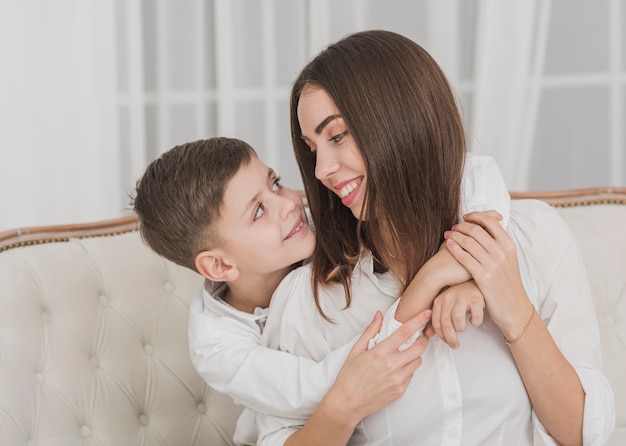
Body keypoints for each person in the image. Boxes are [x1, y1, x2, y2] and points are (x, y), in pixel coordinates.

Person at [255, 30, 615, 445]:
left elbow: (581, 435)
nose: (320, 171)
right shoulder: (313, 299)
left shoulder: (534, 237)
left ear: (402, 121)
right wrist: (345, 403)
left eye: (336, 136)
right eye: (312, 147)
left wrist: (512, 303)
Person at [131, 137, 509, 445]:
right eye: (259, 210)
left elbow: (472, 170)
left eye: (275, 183)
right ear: (220, 266)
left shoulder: (313, 229)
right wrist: (432, 279)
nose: (290, 203)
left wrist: (473, 266)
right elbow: (336, 384)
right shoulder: (217, 348)